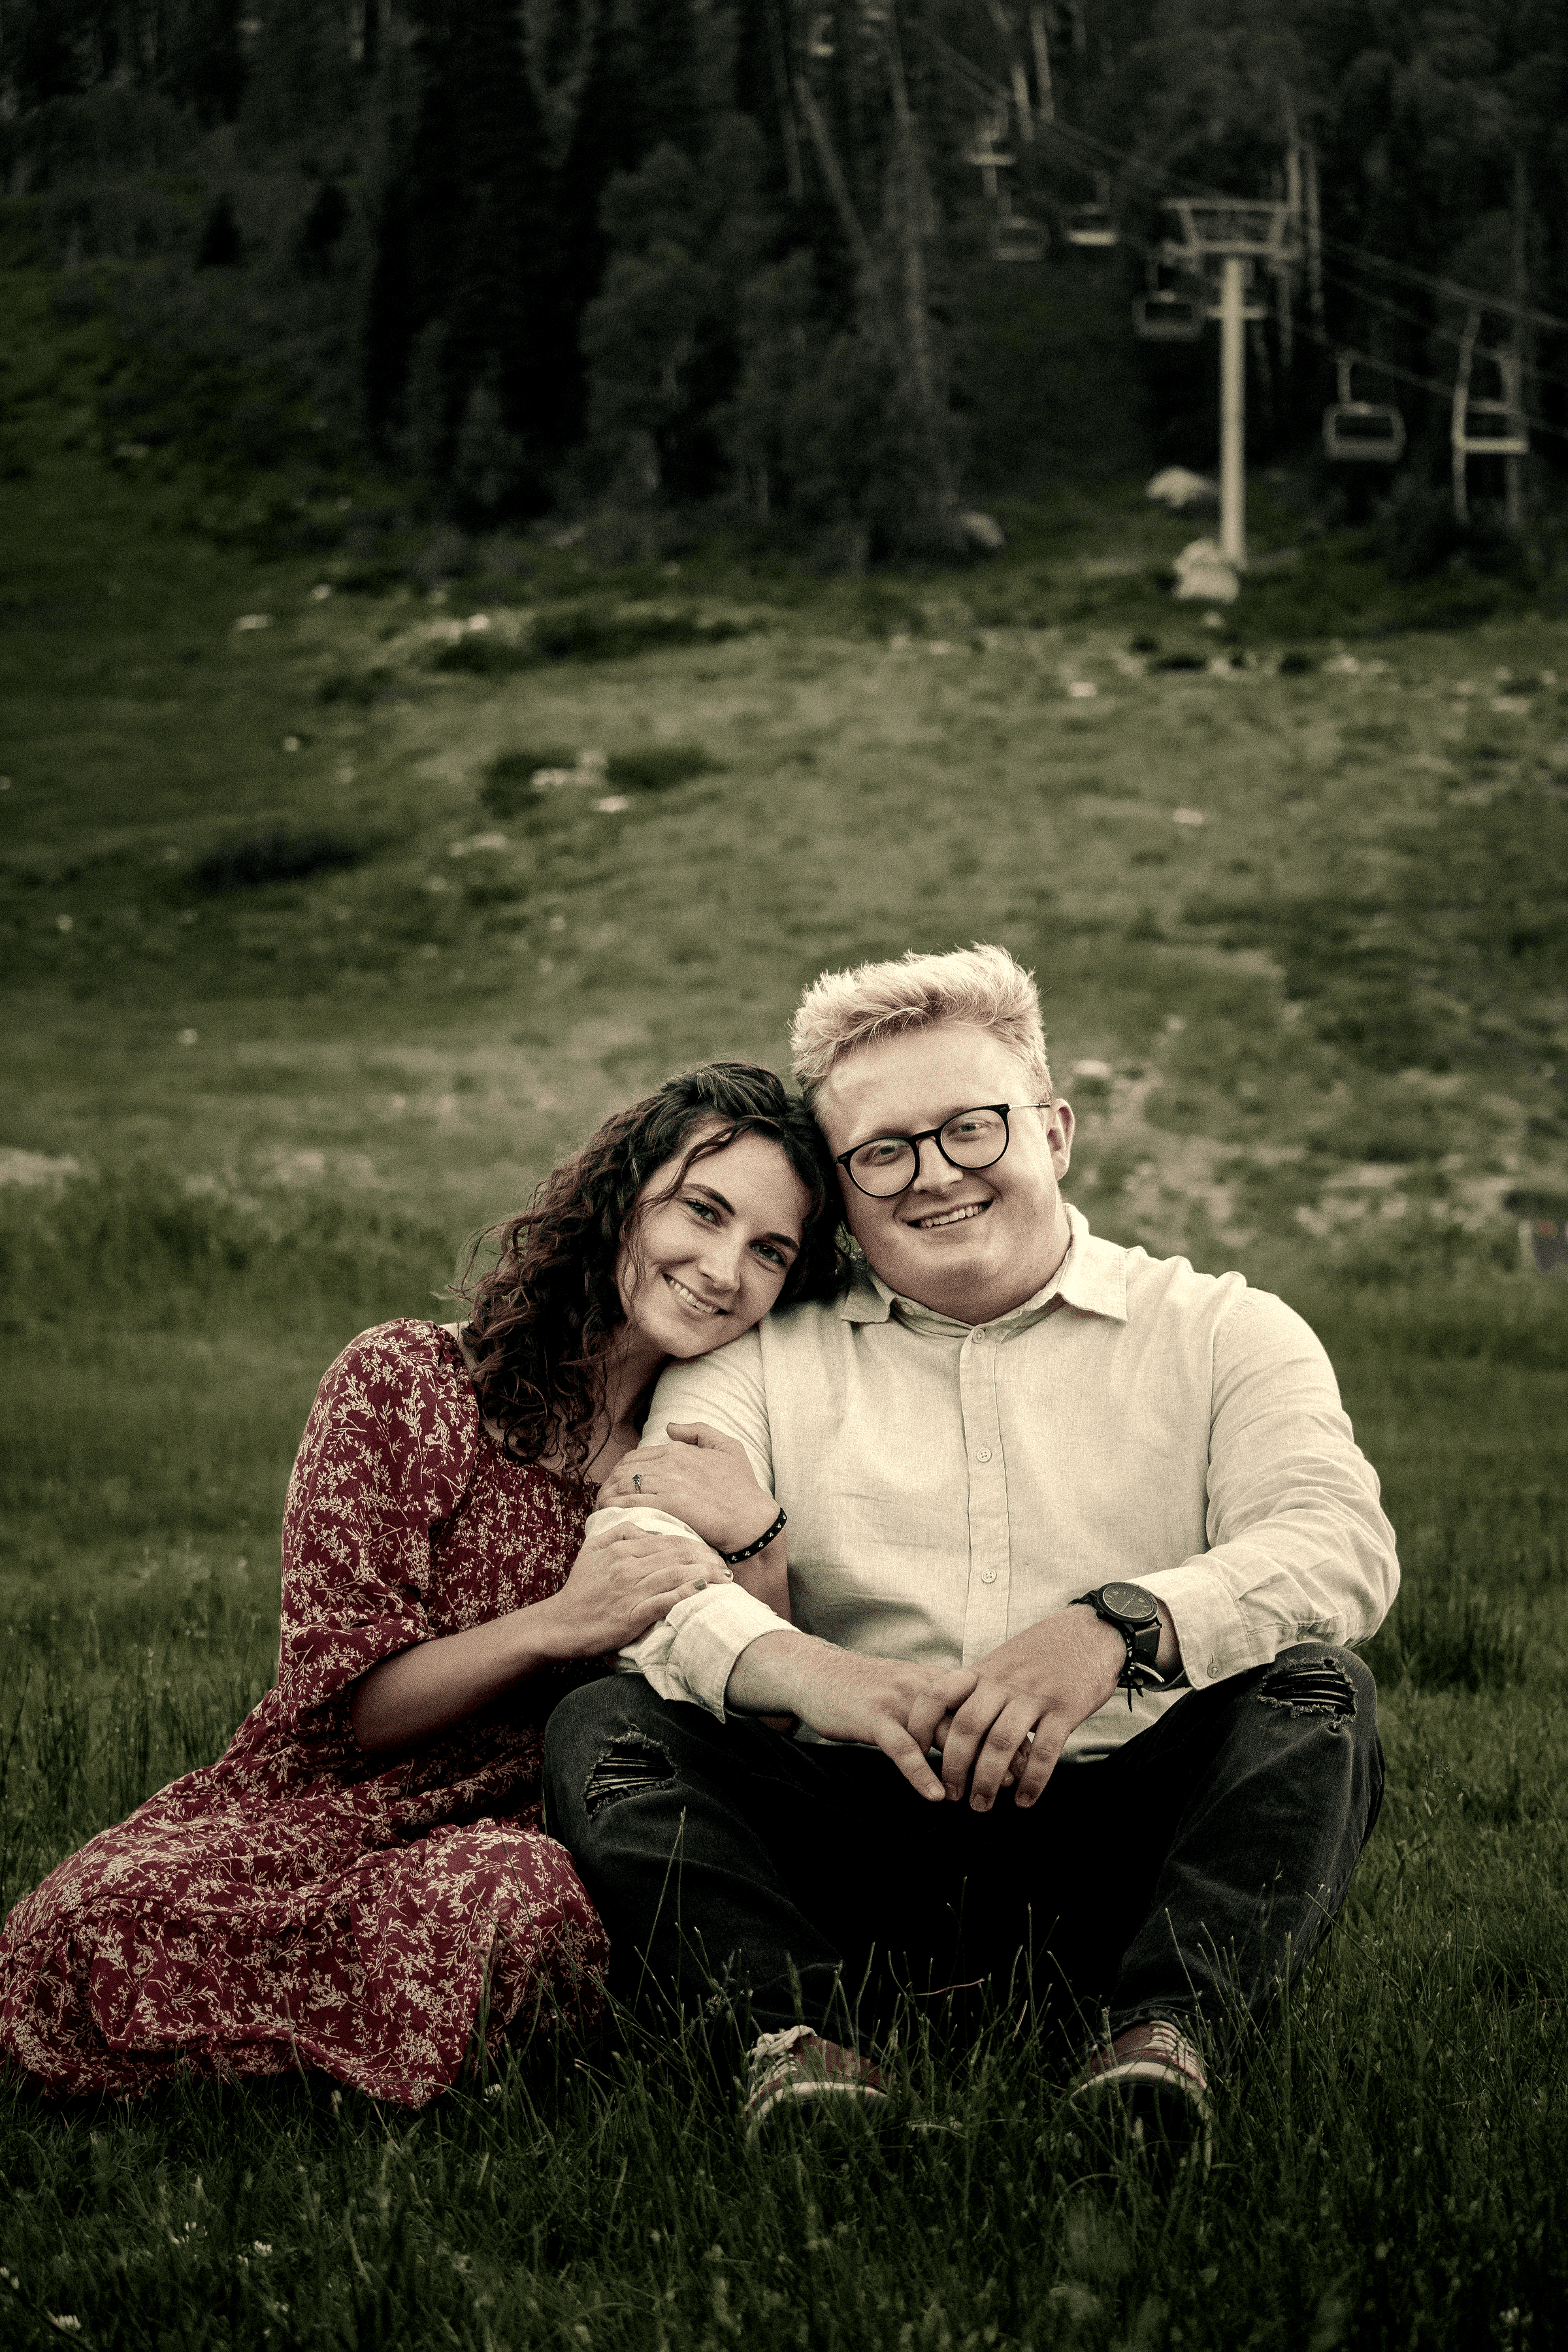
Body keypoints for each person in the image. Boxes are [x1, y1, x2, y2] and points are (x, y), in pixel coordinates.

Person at [544, 946, 1397, 2149]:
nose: (931, 1177)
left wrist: (1118, 1626)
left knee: (1321, 1691)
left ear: (1054, 1130)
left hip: (1123, 1832)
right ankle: (801, 2049)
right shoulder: (753, 1363)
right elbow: (645, 1566)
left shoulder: (1225, 1333)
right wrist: (825, 1679)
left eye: (972, 1131)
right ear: (845, 1187)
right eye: (882, 1152)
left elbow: (1338, 1543)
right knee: (606, 1727)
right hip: (855, 1846)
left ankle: (1161, 2042)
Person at [0, 1064, 844, 2107]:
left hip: (551, 1836)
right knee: (99, 1917)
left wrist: (757, 1536)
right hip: (323, 1805)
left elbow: (745, 1749)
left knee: (513, 1903)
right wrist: (562, 1624)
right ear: (623, 1196)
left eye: (770, 1252)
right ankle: (369, 2050)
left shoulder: (710, 1446)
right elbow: (354, 1710)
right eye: (703, 1212)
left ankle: (311, 2053)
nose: (723, 1269)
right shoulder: (406, 1383)